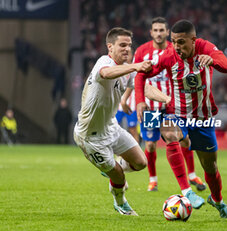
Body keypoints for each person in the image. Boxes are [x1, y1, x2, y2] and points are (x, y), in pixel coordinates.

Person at [135, 20, 227, 218]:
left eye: (181, 42)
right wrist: (139, 100)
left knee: (211, 168)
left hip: (202, 118)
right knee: (169, 132)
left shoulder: (206, 48)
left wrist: (212, 60)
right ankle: (186, 190)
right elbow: (140, 76)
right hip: (177, 113)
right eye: (174, 42)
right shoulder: (169, 55)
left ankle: (217, 200)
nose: (176, 47)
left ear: (193, 40)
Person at [73, 27, 170, 216]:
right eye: (122, 45)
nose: (127, 49)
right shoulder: (104, 62)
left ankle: (114, 168)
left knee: (141, 163)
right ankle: (120, 202)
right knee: (118, 175)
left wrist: (167, 100)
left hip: (111, 128)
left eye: (129, 45)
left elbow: (146, 88)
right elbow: (107, 73)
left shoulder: (128, 70)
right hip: (90, 136)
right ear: (110, 47)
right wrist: (135, 66)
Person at [133, 17, 206, 192]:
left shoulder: (177, 49)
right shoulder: (142, 51)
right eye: (155, 30)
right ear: (151, 32)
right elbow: (135, 76)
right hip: (151, 107)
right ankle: (153, 180)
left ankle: (192, 175)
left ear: (167, 32)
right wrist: (133, 99)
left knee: (185, 139)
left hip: (173, 105)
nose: (158, 33)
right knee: (150, 144)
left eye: (161, 30)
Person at [115, 49, 140, 143]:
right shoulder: (118, 68)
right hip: (118, 105)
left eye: (129, 54)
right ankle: (117, 151)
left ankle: (136, 151)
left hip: (131, 105)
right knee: (113, 127)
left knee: (132, 129)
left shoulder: (135, 69)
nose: (126, 56)